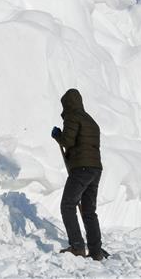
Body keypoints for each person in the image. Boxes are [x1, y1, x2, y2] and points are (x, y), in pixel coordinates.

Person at [51, 88, 107, 261]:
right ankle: (96, 250)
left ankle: (77, 246)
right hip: (95, 168)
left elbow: (68, 141)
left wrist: (58, 135)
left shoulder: (72, 116)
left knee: (67, 205)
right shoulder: (91, 121)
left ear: (67, 104)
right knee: (89, 211)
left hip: (81, 168)